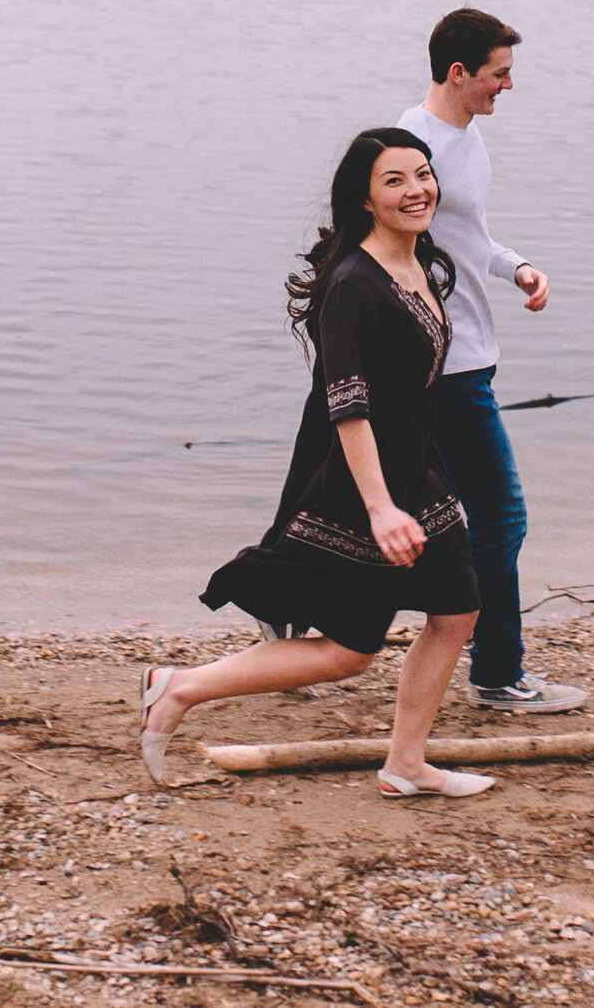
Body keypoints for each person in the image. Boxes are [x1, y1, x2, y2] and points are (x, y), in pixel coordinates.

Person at [140, 128, 495, 798]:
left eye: (423, 175)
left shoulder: (421, 262)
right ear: (363, 197)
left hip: (418, 475)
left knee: (456, 611)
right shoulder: (353, 286)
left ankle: (406, 764)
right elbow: (348, 406)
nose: (416, 190)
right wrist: (381, 507)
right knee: (349, 653)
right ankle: (178, 686)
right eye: (394, 181)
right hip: (364, 490)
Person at [398, 9, 586, 713]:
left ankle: (294, 609)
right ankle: (498, 673)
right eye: (498, 73)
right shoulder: (409, 146)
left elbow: (464, 235)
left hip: (473, 352)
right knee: (500, 517)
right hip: (444, 364)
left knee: (410, 513)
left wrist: (516, 267)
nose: (508, 85)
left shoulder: (467, 140)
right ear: (458, 73)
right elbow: (378, 243)